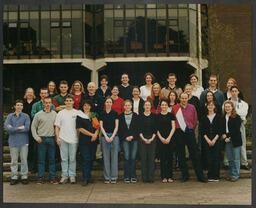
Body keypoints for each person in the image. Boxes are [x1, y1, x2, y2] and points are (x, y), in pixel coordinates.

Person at [172, 93, 207, 183]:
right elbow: (173, 121)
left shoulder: (192, 107)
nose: (184, 100)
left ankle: (200, 176)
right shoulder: (175, 108)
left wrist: (190, 128)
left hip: (189, 132)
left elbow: (195, 120)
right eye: (182, 98)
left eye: (185, 98)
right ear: (179, 99)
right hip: (179, 132)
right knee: (181, 155)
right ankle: (185, 175)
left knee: (194, 154)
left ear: (188, 98)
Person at [55, 95, 82, 184]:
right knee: (64, 159)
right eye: (67, 100)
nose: (69, 102)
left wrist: (78, 138)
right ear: (65, 102)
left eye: (70, 100)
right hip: (62, 138)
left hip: (73, 139)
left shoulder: (77, 112)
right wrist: (57, 137)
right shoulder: (61, 113)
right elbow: (57, 127)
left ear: (73, 102)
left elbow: (80, 127)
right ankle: (64, 176)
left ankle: (72, 176)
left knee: (72, 158)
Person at [31, 97, 58, 185]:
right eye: (46, 103)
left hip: (51, 139)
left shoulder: (55, 114)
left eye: (49, 103)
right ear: (43, 104)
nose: (47, 104)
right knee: (41, 160)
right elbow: (33, 127)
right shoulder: (38, 114)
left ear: (51, 104)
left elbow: (57, 126)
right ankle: (40, 178)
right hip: (41, 139)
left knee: (52, 160)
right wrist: (36, 137)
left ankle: (53, 177)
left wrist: (57, 137)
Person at [4, 100, 30, 185]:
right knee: (14, 161)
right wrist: (19, 128)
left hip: (23, 142)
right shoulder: (10, 116)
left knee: (24, 160)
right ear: (14, 106)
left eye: (21, 105)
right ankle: (14, 177)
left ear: (23, 107)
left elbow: (26, 128)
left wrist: (13, 128)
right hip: (13, 142)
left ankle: (24, 176)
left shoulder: (26, 116)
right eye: (18, 105)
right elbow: (7, 128)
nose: (19, 106)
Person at [76, 100, 100, 186]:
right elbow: (80, 128)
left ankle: (89, 177)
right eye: (85, 105)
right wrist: (91, 134)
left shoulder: (94, 115)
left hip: (93, 141)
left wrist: (95, 135)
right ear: (83, 106)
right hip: (84, 141)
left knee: (91, 158)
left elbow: (98, 127)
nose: (86, 107)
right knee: (86, 159)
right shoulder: (79, 116)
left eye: (88, 105)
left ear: (90, 106)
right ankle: (85, 178)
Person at [118, 100, 139, 183]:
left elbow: (138, 128)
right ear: (123, 107)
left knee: (133, 158)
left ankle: (133, 176)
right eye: (126, 105)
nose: (127, 107)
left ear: (131, 106)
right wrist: (125, 137)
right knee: (126, 157)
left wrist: (132, 136)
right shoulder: (120, 116)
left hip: (134, 139)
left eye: (129, 105)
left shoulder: (136, 115)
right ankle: (126, 176)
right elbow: (119, 129)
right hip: (125, 139)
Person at [221, 100, 242, 182]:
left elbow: (236, 130)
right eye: (226, 107)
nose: (227, 108)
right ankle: (232, 174)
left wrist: (228, 136)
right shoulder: (223, 117)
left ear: (232, 107)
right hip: (226, 139)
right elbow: (221, 128)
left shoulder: (236, 117)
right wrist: (223, 135)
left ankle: (236, 175)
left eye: (229, 107)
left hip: (235, 139)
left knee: (236, 158)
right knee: (230, 158)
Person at [100, 97, 119, 184]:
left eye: (110, 102)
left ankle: (114, 177)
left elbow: (116, 126)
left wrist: (112, 137)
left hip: (114, 137)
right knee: (106, 158)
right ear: (105, 103)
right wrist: (106, 136)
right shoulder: (102, 113)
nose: (108, 103)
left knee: (114, 157)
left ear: (112, 103)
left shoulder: (115, 113)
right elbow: (101, 126)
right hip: (104, 137)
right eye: (107, 102)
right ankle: (107, 177)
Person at [201, 101, 222, 182]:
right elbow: (202, 131)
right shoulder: (203, 117)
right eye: (209, 105)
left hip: (216, 139)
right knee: (208, 157)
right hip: (207, 139)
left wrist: (214, 140)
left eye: (212, 105)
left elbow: (219, 130)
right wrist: (208, 140)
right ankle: (210, 175)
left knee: (216, 157)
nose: (210, 106)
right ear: (207, 107)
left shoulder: (218, 117)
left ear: (214, 107)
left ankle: (216, 176)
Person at [229, 86, 249, 170]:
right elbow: (225, 112)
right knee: (229, 144)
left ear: (238, 92)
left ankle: (244, 162)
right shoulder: (226, 102)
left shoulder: (244, 103)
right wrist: (236, 112)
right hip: (229, 125)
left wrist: (232, 112)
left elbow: (243, 113)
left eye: (235, 91)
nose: (234, 93)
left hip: (239, 125)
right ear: (230, 92)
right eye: (232, 91)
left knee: (242, 144)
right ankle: (227, 163)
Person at [156, 99, 176, 183]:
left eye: (165, 105)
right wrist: (161, 138)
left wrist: (169, 138)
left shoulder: (171, 115)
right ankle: (164, 176)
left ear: (168, 106)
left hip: (170, 139)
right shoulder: (157, 116)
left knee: (170, 158)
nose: (164, 106)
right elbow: (156, 129)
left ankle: (170, 176)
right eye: (162, 105)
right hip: (161, 139)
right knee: (163, 158)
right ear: (160, 106)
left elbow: (173, 127)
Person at [138, 100, 157, 183]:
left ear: (151, 106)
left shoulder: (154, 116)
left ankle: (151, 177)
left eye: (149, 105)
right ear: (143, 106)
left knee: (151, 158)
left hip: (152, 138)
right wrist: (144, 139)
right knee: (144, 158)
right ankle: (144, 178)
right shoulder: (140, 116)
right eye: (146, 105)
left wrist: (151, 139)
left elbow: (155, 129)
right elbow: (139, 130)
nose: (147, 106)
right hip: (142, 138)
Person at [22, 87, 37, 173]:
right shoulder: (22, 103)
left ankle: (33, 167)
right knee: (25, 147)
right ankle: (25, 166)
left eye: (31, 92)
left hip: (33, 128)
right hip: (24, 128)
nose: (30, 94)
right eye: (28, 92)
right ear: (26, 93)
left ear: (33, 94)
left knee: (33, 148)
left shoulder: (35, 103)